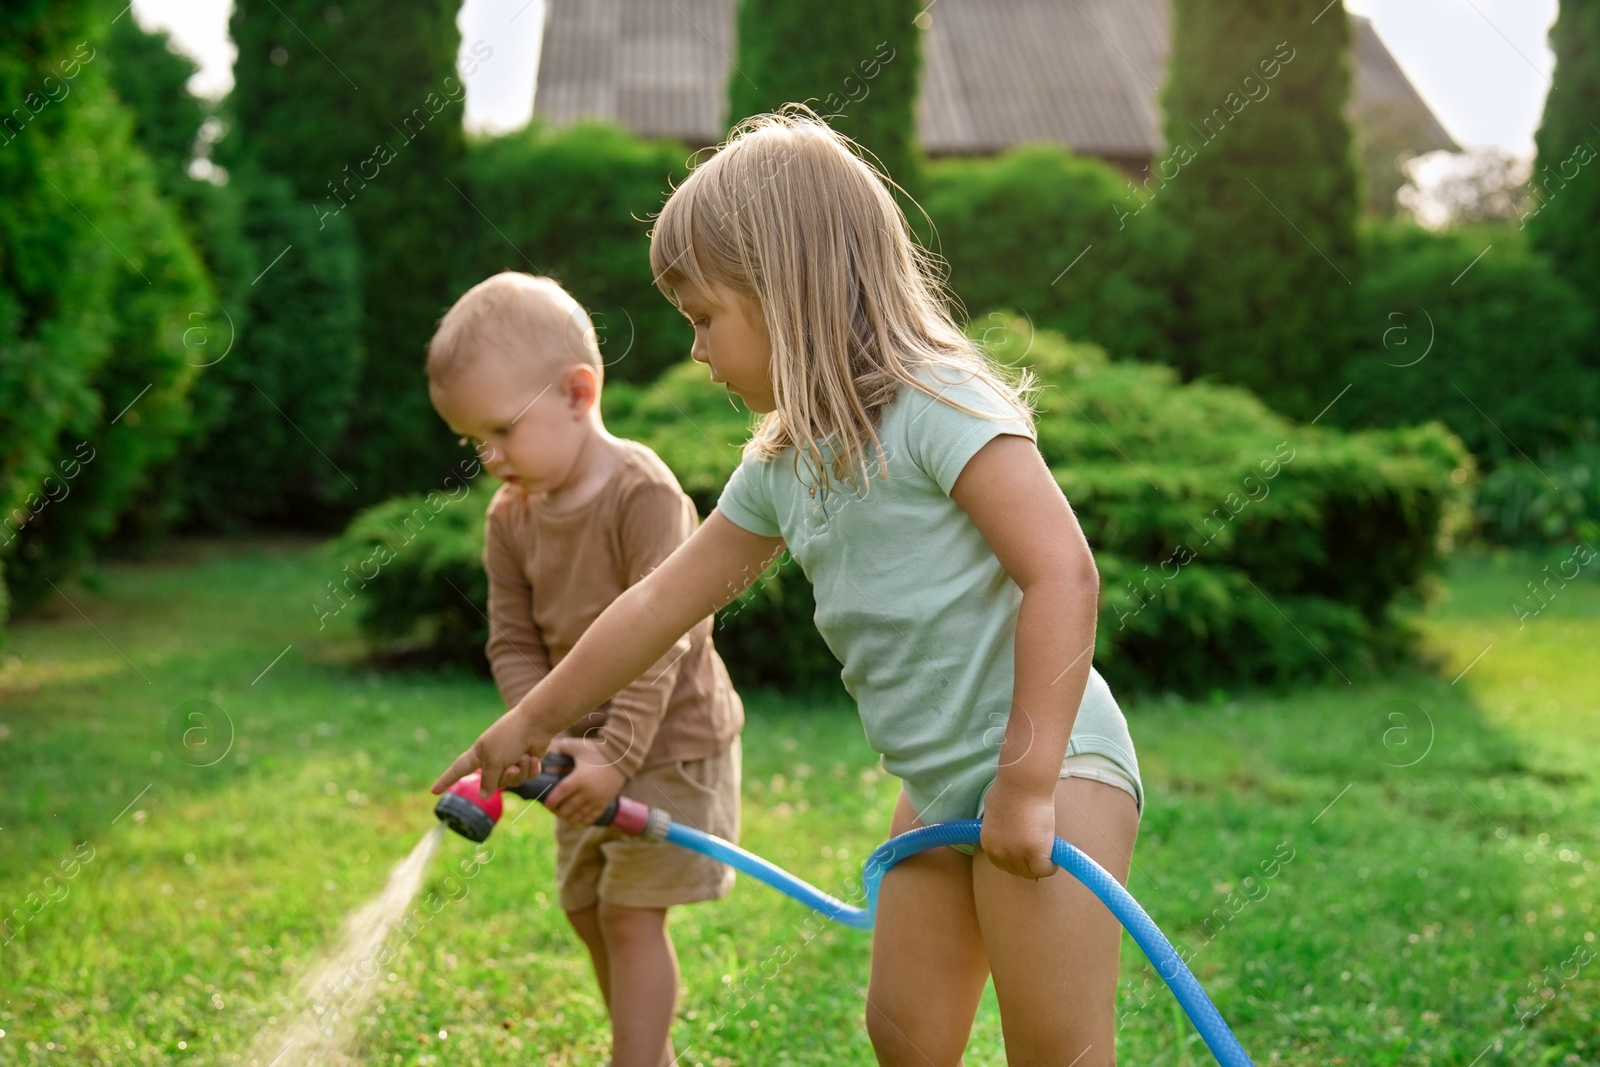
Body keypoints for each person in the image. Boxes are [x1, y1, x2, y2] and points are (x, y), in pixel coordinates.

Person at [433, 113, 1146, 1066]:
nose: (694, 351)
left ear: (785, 288)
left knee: (1054, 1050)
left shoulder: (939, 404)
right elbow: (656, 605)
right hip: (936, 786)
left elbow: (1063, 571)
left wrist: (1023, 781)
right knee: (904, 1032)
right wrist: (530, 721)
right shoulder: (781, 467)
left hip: (1052, 766)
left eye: (703, 319)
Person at [426, 272, 745, 1067]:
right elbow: (513, 642)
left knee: (632, 914)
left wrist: (618, 751)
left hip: (670, 744)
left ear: (577, 392)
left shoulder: (644, 496)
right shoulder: (512, 517)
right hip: (582, 751)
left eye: (500, 430)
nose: (490, 457)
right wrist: (541, 738)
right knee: (585, 907)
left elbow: (668, 631)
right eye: (473, 443)